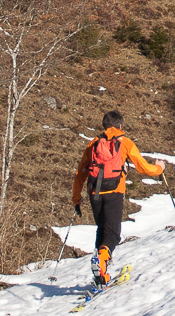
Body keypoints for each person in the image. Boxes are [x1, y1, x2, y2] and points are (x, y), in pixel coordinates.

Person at [70, 110, 164, 287]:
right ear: (120, 126)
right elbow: (143, 167)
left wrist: (76, 199)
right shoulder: (125, 143)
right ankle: (101, 263)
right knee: (112, 233)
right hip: (114, 192)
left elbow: (79, 173)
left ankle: (100, 272)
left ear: (105, 126)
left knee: (102, 229)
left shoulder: (93, 144)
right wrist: (159, 168)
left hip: (94, 192)